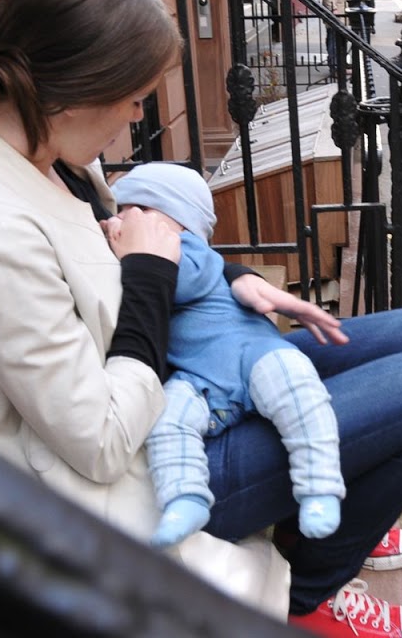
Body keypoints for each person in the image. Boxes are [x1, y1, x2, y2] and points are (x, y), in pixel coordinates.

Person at [0, 0, 402, 636]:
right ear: (74, 88)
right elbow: (96, 442)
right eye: (133, 97)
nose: (134, 117)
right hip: (143, 462)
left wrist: (236, 278)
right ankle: (311, 590)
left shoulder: (43, 143)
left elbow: (138, 250)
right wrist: (154, 279)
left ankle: (337, 516)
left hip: (187, 368)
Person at [110, 163, 346, 549]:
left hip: (251, 355)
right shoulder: (149, 249)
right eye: (120, 210)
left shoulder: (189, 253)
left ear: (180, 222)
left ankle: (319, 488)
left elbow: (179, 281)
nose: (122, 219)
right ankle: (183, 498)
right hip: (198, 378)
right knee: (168, 419)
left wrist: (135, 256)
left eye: (138, 210)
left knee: (298, 391)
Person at [320, 0, 352, 75]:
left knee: (341, 37)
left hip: (343, 6)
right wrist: (331, 7)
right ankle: (335, 67)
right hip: (335, 7)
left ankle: (342, 64)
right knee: (334, 37)